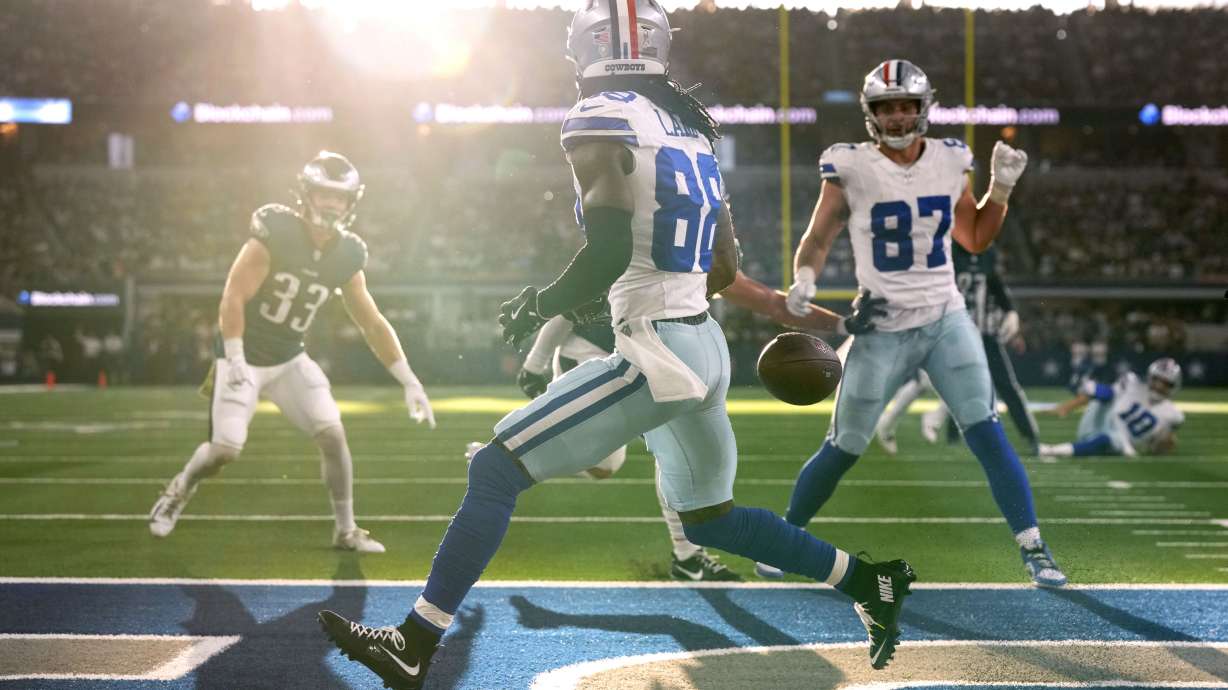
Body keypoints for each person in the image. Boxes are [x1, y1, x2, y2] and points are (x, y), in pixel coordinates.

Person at [318, 5, 915, 688]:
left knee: (496, 469)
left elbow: (605, 249)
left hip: (653, 354)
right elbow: (721, 270)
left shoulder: (601, 117)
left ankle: (414, 641)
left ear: (588, 49)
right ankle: (871, 581)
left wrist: (541, 304)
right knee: (710, 520)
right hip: (704, 346)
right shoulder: (692, 128)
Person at [781, 59, 1066, 589]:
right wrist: (804, 277)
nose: (895, 116)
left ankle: (1035, 550)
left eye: (904, 106)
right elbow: (819, 236)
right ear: (871, 113)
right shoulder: (849, 164)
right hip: (882, 325)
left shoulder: (951, 159)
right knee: (844, 444)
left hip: (944, 317)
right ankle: (785, 537)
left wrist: (1000, 191)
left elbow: (976, 237)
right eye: (885, 107)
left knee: (985, 429)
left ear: (922, 108)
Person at [148, 152, 436, 553]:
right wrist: (232, 356)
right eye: (325, 194)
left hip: (288, 358)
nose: (332, 204)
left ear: (352, 202)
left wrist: (409, 379)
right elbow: (233, 295)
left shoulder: (348, 253)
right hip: (243, 356)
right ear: (306, 194)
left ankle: (345, 530)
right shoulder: (276, 230)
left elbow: (371, 321)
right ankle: (181, 487)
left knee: (333, 436)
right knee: (223, 451)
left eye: (340, 197)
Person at [504, 271, 861, 582]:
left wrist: (842, 324)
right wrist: (533, 364)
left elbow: (769, 302)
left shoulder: (694, 260)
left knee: (673, 450)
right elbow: (575, 297)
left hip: (655, 356)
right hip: (596, 353)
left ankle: (687, 557)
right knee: (611, 463)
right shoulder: (649, 248)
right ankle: (511, 457)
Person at [874, 242, 1039, 454]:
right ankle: (901, 423)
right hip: (947, 330)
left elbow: (994, 282)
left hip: (982, 333)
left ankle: (1029, 436)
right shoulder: (943, 246)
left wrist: (1010, 311)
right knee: (928, 381)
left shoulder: (986, 251)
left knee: (997, 385)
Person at [1038, 358, 1183, 457]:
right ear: (1150, 377)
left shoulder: (1174, 416)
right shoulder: (1132, 383)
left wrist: (1163, 444)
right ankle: (1052, 450)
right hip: (1096, 424)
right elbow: (1106, 393)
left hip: (1119, 443)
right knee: (1105, 393)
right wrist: (1068, 406)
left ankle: (1053, 450)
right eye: (1157, 380)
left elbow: (1156, 446)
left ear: (1173, 386)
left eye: (1165, 383)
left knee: (1110, 439)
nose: (1159, 386)